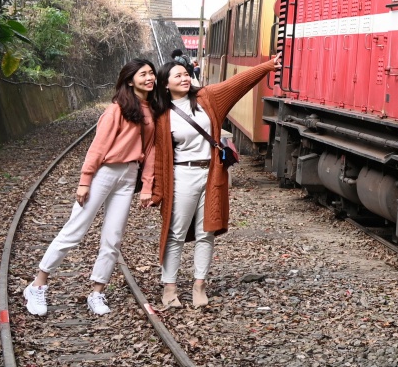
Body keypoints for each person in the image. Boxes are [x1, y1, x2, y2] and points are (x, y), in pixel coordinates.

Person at [24, 59, 160, 317]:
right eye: (143, 74)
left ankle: (97, 292)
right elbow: (97, 147)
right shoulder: (117, 109)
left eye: (151, 73)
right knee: (75, 230)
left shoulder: (152, 110)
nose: (149, 77)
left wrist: (146, 185)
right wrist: (85, 180)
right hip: (104, 173)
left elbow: (151, 150)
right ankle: (38, 284)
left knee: (113, 238)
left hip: (129, 175)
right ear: (130, 80)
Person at [149, 56, 276, 308]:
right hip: (181, 176)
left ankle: (199, 286)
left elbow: (238, 83)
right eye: (178, 76)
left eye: (186, 74)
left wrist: (268, 66)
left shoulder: (207, 98)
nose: (185, 78)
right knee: (175, 233)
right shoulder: (160, 114)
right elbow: (156, 157)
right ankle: (169, 287)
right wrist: (152, 189)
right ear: (165, 84)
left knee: (206, 232)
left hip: (211, 174)